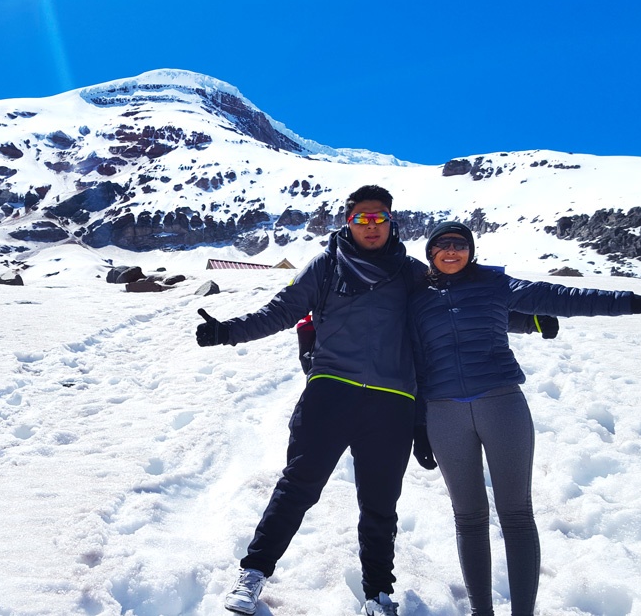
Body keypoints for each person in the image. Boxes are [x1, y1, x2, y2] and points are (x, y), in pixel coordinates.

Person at [195, 186, 551, 616]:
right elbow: (282, 309)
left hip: (392, 402)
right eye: (362, 218)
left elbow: (461, 305)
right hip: (330, 392)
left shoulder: (411, 273)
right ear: (348, 221)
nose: (371, 225)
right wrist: (227, 332)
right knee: (297, 487)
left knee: (381, 503)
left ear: (391, 222)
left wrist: (529, 320)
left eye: (379, 217)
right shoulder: (326, 266)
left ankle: (378, 594)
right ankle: (252, 575)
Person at [408, 221, 641, 616]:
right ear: (430, 253)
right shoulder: (416, 296)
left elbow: (562, 297)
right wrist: (417, 423)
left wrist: (637, 302)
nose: (451, 251)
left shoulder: (497, 284)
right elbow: (409, 354)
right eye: (442, 244)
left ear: (471, 251)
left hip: (501, 404)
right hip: (443, 413)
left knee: (515, 514)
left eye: (460, 244)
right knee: (469, 517)